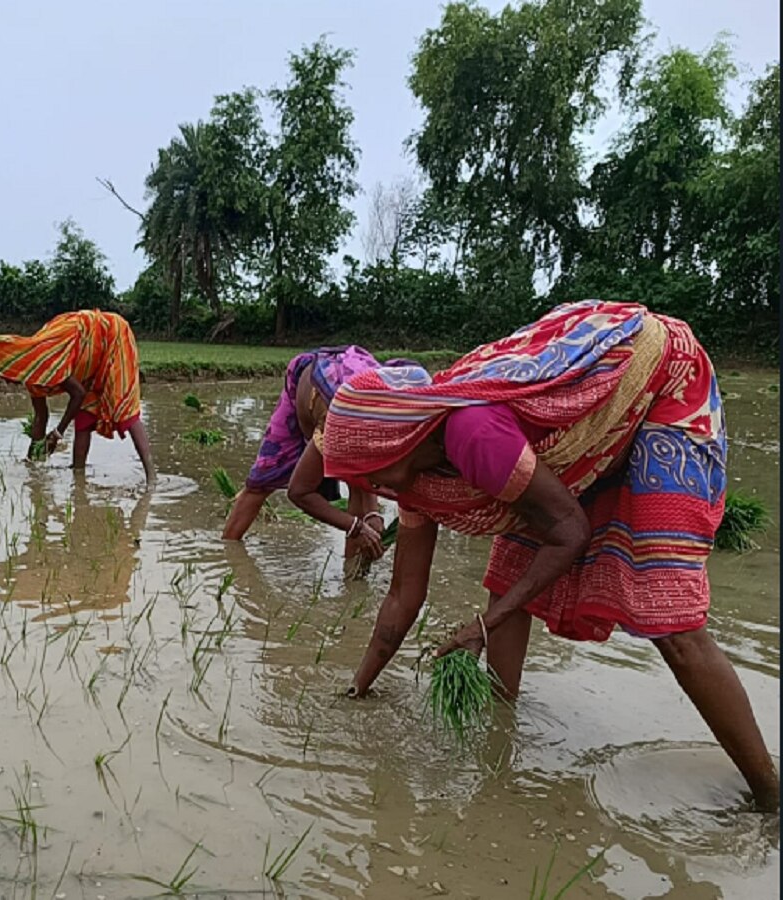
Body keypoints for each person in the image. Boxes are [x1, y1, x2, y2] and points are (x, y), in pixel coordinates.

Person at [289, 299, 778, 810]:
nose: (370, 486)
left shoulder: (472, 435)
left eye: (369, 470)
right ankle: (503, 731)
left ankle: (769, 796)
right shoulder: (418, 478)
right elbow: (404, 595)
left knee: (667, 614)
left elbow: (570, 531)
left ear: (396, 442)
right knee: (510, 577)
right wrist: (359, 687)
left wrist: (483, 626)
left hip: (661, 383)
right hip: (564, 441)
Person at [222, 346, 396, 566]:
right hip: (311, 386)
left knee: (359, 484)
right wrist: (356, 526)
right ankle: (227, 554)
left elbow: (363, 481)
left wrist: (372, 515)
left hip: (357, 383)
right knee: (262, 480)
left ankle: (353, 578)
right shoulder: (341, 425)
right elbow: (299, 492)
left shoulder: (397, 428)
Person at [0, 309, 154, 484]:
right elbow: (40, 417)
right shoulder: (31, 376)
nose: (7, 381)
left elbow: (78, 394)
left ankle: (151, 476)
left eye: (6, 374)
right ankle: (78, 478)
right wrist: (32, 459)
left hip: (112, 336)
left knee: (124, 408)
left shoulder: (45, 359)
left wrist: (58, 433)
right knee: (84, 418)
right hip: (87, 358)